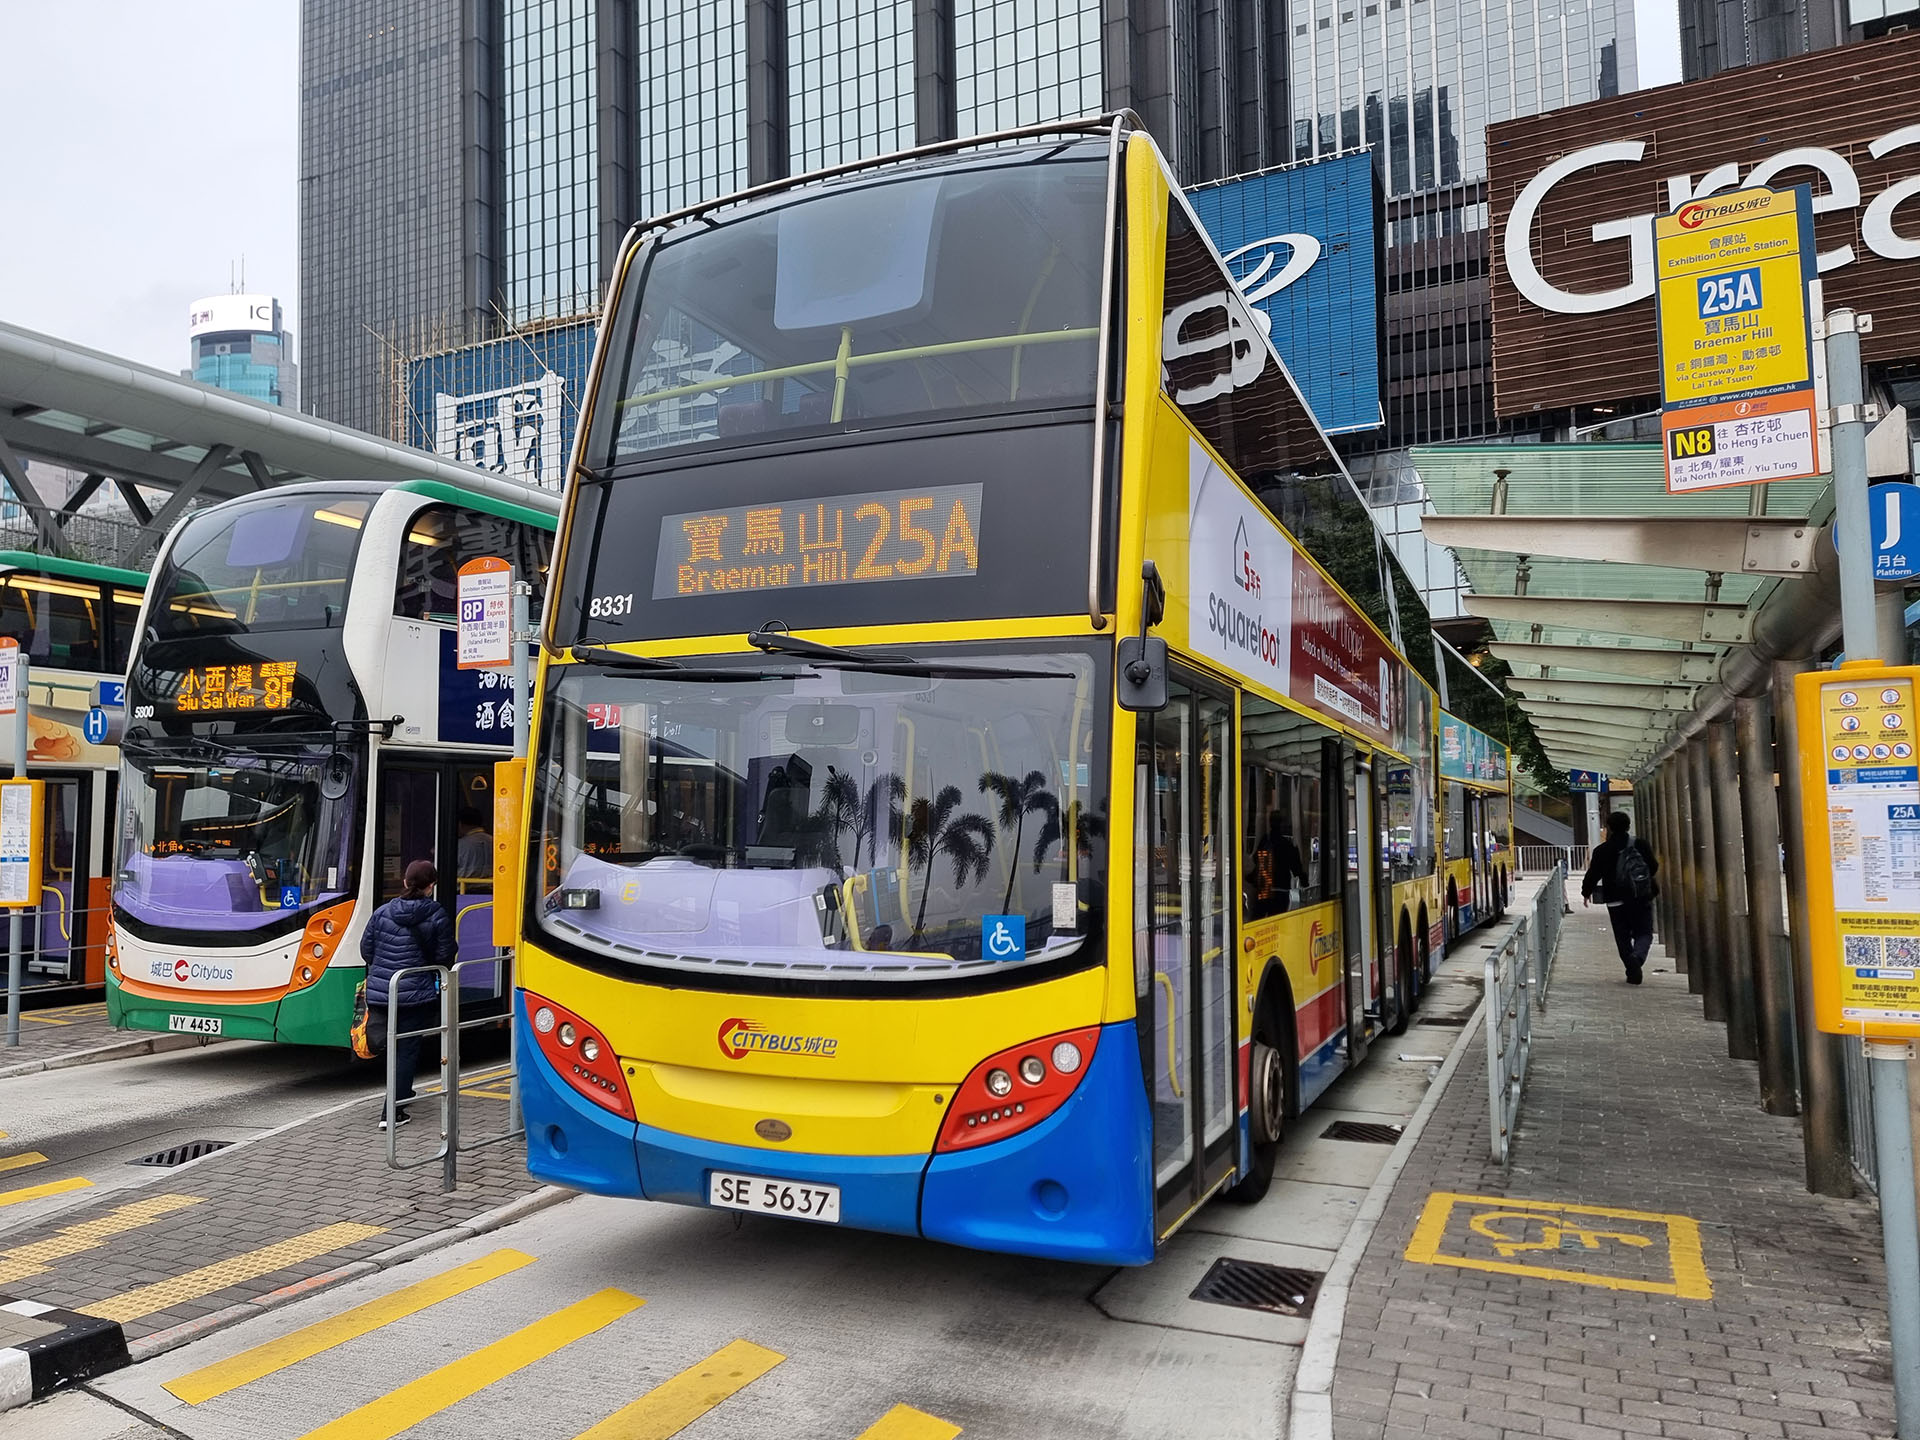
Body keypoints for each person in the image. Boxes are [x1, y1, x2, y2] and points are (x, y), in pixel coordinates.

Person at [361, 860, 456, 1127]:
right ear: (431, 886)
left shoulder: (383, 911)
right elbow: (444, 956)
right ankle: (392, 1113)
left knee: (392, 1047)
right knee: (407, 1051)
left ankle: (401, 1093)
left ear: (405, 882)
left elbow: (366, 951)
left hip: (382, 992)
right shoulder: (436, 914)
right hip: (416, 995)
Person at [1581, 811, 1659, 984]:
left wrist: (1586, 893)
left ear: (1608, 827)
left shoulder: (1602, 850)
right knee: (1644, 932)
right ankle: (1637, 958)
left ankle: (1632, 968)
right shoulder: (1640, 844)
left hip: (1615, 899)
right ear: (1628, 825)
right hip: (1641, 896)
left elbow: (1593, 874)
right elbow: (1653, 867)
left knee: (1622, 936)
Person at [455, 807, 491, 881]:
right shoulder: (495, 842)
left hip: (464, 890)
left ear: (460, 824)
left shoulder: (460, 845)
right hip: (491, 890)